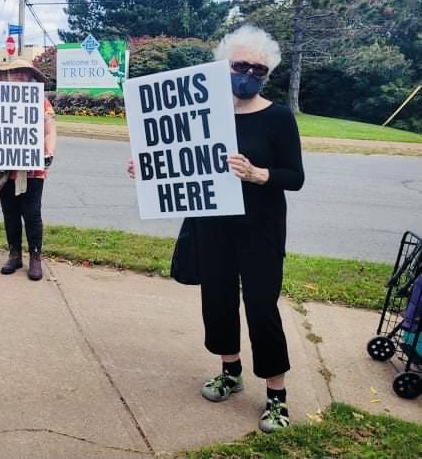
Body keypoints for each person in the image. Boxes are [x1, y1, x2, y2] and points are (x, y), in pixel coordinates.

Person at [128, 25, 304, 433]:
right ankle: (230, 371)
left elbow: (294, 176)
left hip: (260, 228)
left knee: (262, 308)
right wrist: (146, 168)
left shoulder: (278, 117)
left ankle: (276, 396)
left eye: (258, 68)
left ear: (267, 73)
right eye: (240, 65)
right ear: (223, 65)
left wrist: (259, 174)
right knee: (218, 301)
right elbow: (176, 158)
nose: (248, 73)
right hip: (213, 224)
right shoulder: (203, 112)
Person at [0, 58, 58, 281]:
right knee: (10, 213)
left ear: (32, 77)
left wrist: (48, 154)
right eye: (15, 72)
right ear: (6, 76)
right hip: (5, 168)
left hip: (33, 169)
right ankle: (14, 254)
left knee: (32, 213)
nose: (20, 76)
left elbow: (50, 131)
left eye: (25, 73)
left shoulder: (40, 102)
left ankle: (35, 257)